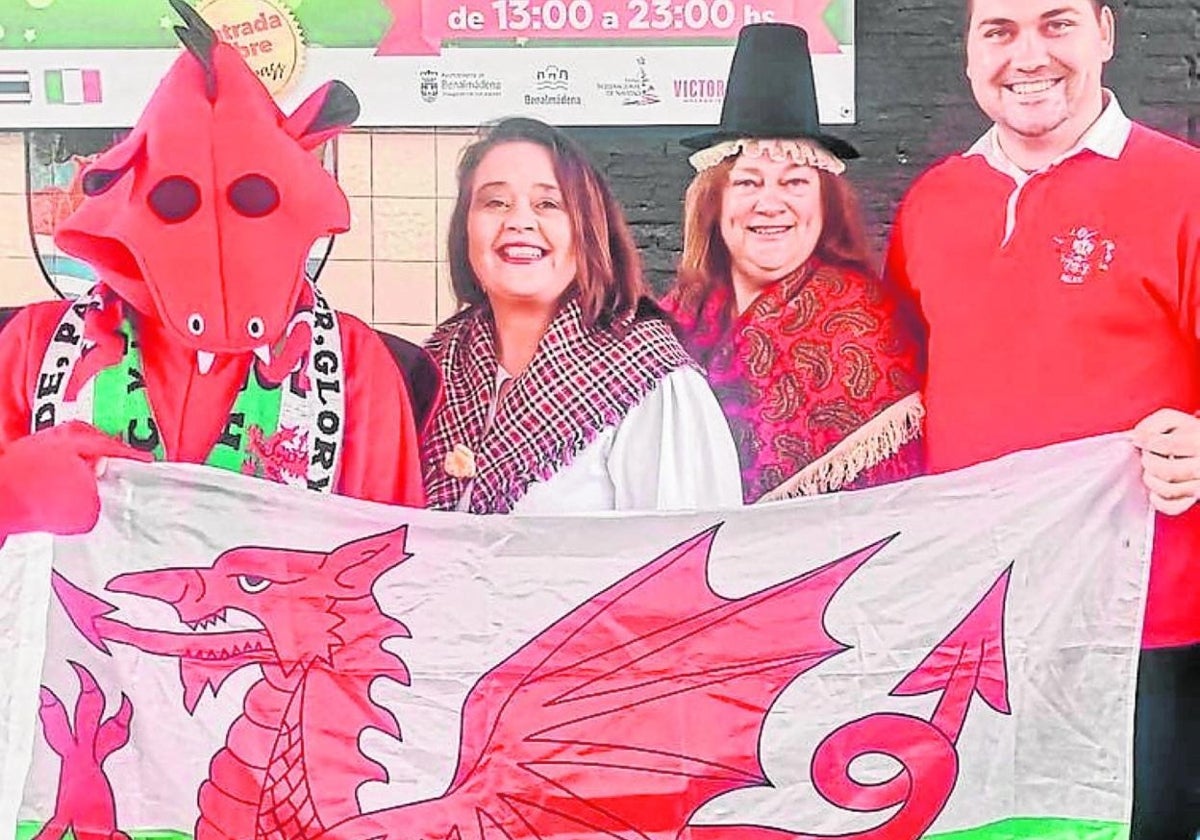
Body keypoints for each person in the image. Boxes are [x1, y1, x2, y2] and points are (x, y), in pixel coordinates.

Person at [883, 0, 1200, 836]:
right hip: (978, 629)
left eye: (1056, 24)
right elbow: (907, 391)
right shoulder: (933, 204)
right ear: (968, 53)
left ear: (1104, 33)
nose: (1028, 55)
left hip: (1147, 626)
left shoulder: (1184, 187)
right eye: (1000, 31)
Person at [0, 0, 428, 548]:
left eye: (249, 199)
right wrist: (11, 496)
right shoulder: (32, 349)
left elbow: (393, 564)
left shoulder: (355, 366)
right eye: (178, 200)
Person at [422, 117, 743, 514]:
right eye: (495, 203)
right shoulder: (437, 364)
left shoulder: (649, 378)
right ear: (464, 229)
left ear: (587, 229)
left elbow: (687, 557)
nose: (519, 222)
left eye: (548, 204)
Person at [662, 23, 924, 504]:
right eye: (748, 183)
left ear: (825, 206)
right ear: (713, 205)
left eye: (794, 183)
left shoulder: (860, 325)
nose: (771, 204)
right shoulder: (674, 319)